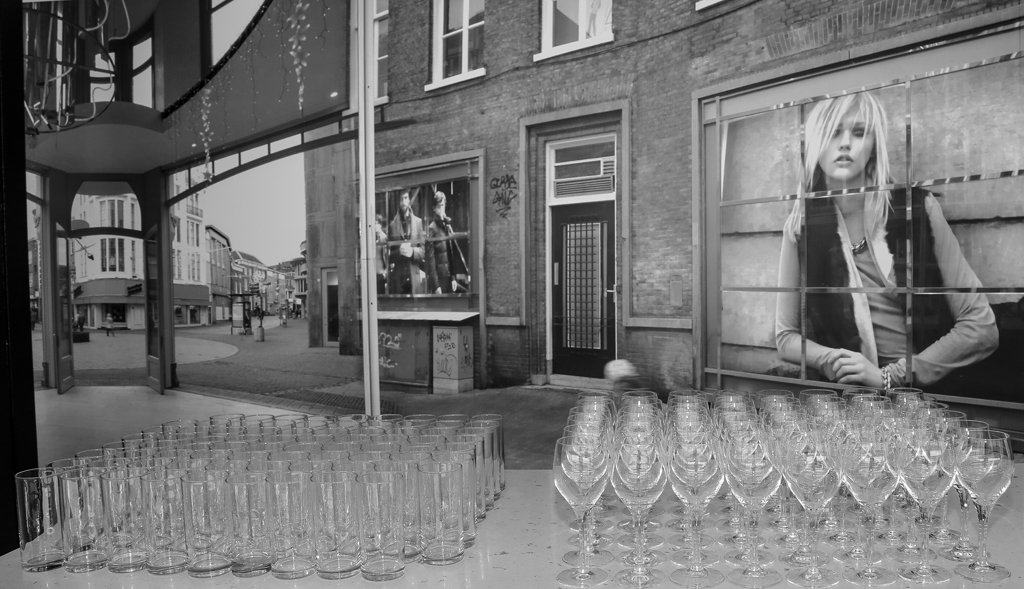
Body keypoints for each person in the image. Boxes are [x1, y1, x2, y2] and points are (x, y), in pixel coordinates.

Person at [775, 92, 998, 390]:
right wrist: (836, 361)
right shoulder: (801, 227)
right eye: (832, 132)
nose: (844, 143)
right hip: (848, 402)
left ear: (874, 144)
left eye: (858, 132)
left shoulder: (917, 210)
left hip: (925, 400)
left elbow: (980, 327)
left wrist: (888, 377)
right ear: (816, 143)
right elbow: (786, 336)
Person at [387, 190, 426, 295]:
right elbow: (388, 256)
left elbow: (423, 251)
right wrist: (399, 251)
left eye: (405, 198)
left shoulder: (418, 222)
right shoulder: (392, 225)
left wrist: (412, 252)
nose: (403, 202)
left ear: (409, 200)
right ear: (398, 202)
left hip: (414, 276)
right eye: (401, 199)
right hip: (398, 278)